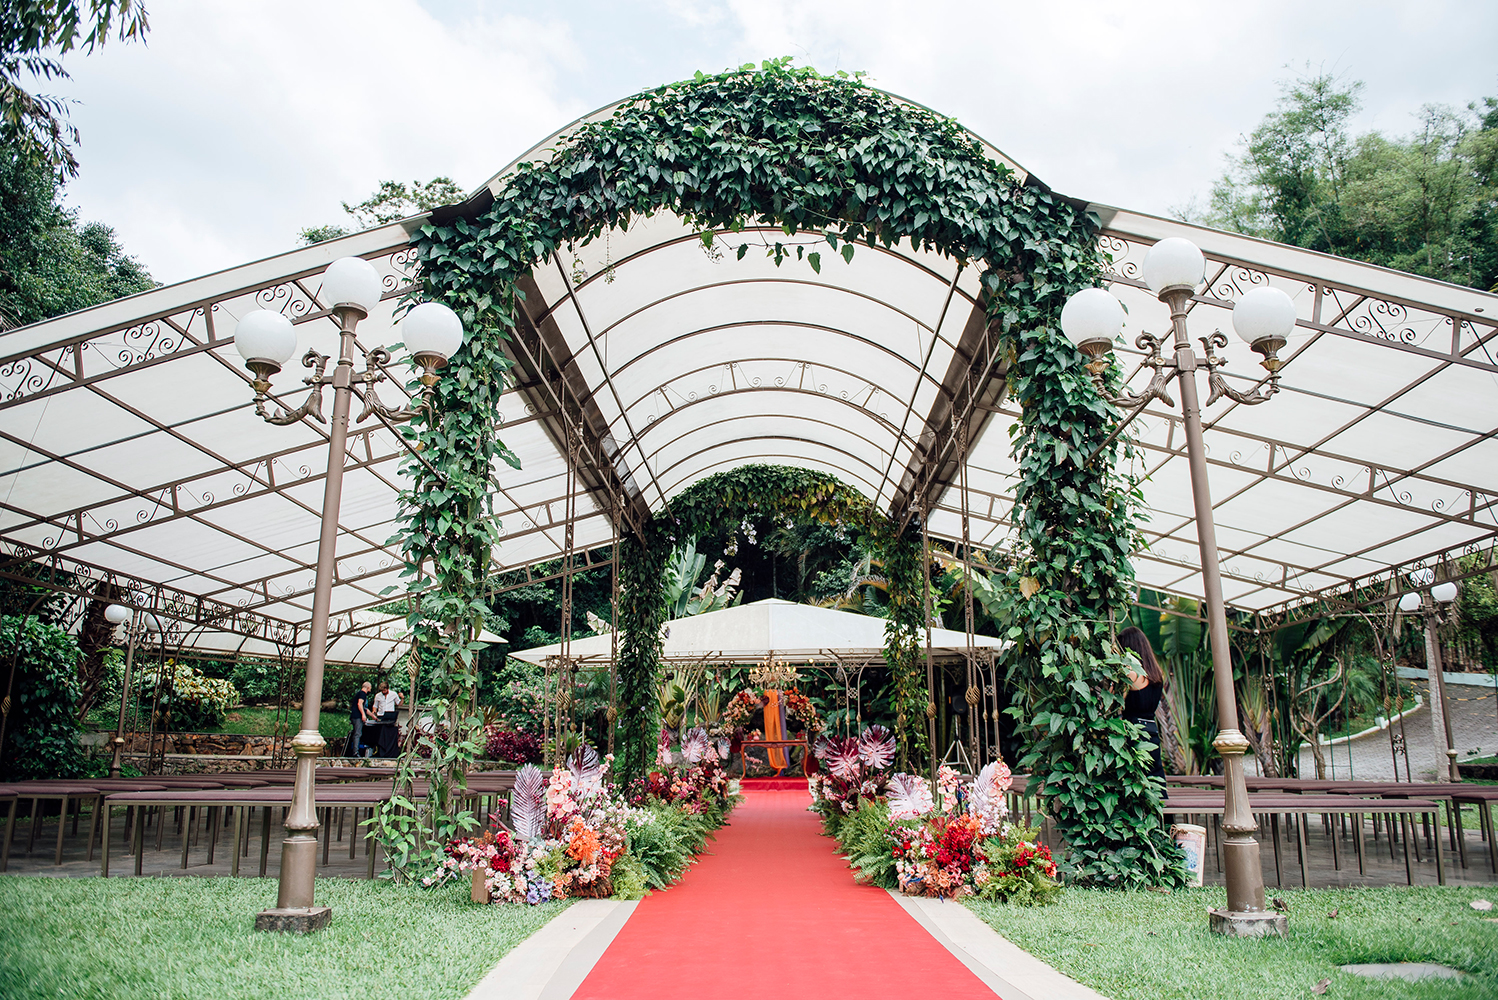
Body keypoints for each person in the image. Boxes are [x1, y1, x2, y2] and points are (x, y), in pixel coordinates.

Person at [1117, 626, 1166, 779]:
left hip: (1134, 731)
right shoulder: (1156, 674)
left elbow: (1116, 704)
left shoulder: (1131, 674)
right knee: (1154, 778)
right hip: (1152, 730)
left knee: (1136, 778)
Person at [349, 681, 373, 758]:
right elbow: (360, 704)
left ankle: (355, 750)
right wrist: (363, 714)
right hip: (357, 716)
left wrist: (373, 716)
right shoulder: (362, 694)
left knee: (357, 733)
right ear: (368, 687)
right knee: (357, 733)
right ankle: (355, 752)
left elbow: (365, 708)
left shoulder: (360, 694)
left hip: (356, 716)